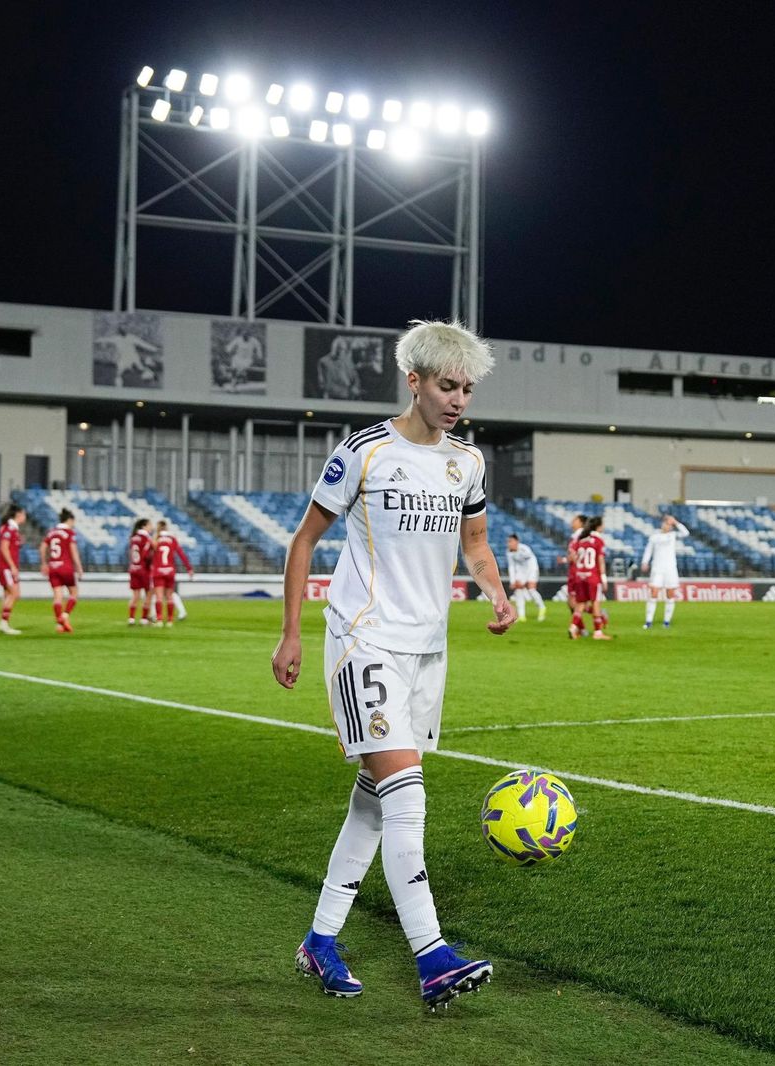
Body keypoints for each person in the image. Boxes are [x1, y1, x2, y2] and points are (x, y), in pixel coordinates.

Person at [271, 319, 513, 1010]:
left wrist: (496, 592)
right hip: (363, 640)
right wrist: (290, 634)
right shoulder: (365, 452)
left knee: (375, 805)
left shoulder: (466, 462)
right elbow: (304, 541)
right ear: (415, 380)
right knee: (407, 794)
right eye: (447, 384)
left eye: (467, 387)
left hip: (426, 651)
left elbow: (477, 546)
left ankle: (320, 941)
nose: (459, 398)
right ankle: (432, 956)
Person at [640, 513, 690, 629]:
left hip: (670, 569)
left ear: (671, 526)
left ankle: (666, 621)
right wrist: (645, 562)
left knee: (670, 594)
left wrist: (676, 522)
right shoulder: (654, 537)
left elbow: (686, 533)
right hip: (657, 568)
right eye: (665, 523)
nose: (666, 525)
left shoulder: (673, 535)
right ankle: (648, 621)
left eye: (668, 524)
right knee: (654, 592)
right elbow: (648, 550)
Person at [39, 508, 83, 633]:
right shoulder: (69, 533)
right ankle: (64, 617)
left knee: (58, 596)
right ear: (69, 520)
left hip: (53, 567)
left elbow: (42, 547)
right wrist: (79, 567)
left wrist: (44, 563)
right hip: (66, 567)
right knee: (74, 593)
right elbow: (73, 551)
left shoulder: (51, 532)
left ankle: (59, 625)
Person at [568, 516, 611, 640]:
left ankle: (573, 627)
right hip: (593, 577)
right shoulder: (598, 540)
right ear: (598, 526)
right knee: (596, 603)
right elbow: (601, 560)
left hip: (579, 576)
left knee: (580, 604)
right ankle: (598, 633)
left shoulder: (581, 540)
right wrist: (603, 578)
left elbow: (573, 557)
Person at [149, 520, 193, 627]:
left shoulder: (155, 539)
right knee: (170, 596)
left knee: (159, 597)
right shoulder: (172, 539)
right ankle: (169, 621)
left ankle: (159, 620)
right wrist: (189, 568)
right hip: (170, 571)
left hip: (158, 571)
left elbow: (148, 555)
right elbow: (181, 554)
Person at [0, 504, 25, 635]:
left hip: (4, 565)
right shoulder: (10, 529)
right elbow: (4, 547)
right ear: (18, 514)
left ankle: (4, 622)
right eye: (24, 514)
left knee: (8, 594)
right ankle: (3, 622)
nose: (25, 517)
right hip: (6, 566)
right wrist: (12, 566)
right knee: (15, 593)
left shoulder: (9, 529)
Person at [505, 534, 546, 622]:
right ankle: (521, 616)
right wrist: (513, 581)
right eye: (508, 542)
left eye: (510, 541)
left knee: (531, 589)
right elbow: (511, 567)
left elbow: (529, 565)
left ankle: (542, 607)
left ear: (517, 541)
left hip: (532, 569)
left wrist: (524, 581)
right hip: (521, 571)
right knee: (518, 590)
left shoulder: (524, 549)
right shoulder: (509, 552)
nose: (509, 544)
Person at [127, 518, 154, 625]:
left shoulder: (133, 538)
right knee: (149, 593)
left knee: (135, 595)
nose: (152, 527)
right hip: (143, 569)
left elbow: (131, 553)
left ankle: (131, 618)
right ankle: (144, 619)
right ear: (144, 526)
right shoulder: (146, 538)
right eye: (150, 525)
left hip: (133, 568)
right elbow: (147, 555)